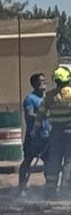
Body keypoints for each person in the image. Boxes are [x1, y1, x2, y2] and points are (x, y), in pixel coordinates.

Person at [34, 66, 71, 197]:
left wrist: (35, 130)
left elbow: (40, 114)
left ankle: (50, 189)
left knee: (54, 159)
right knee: (69, 160)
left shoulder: (49, 96)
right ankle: (66, 190)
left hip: (55, 132)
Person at [21, 72, 50, 191]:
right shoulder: (30, 99)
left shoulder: (48, 98)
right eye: (40, 81)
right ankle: (22, 186)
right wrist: (42, 115)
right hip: (33, 137)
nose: (43, 83)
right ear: (34, 84)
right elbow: (29, 115)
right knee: (28, 160)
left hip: (47, 136)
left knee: (49, 162)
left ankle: (49, 187)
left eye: (44, 81)